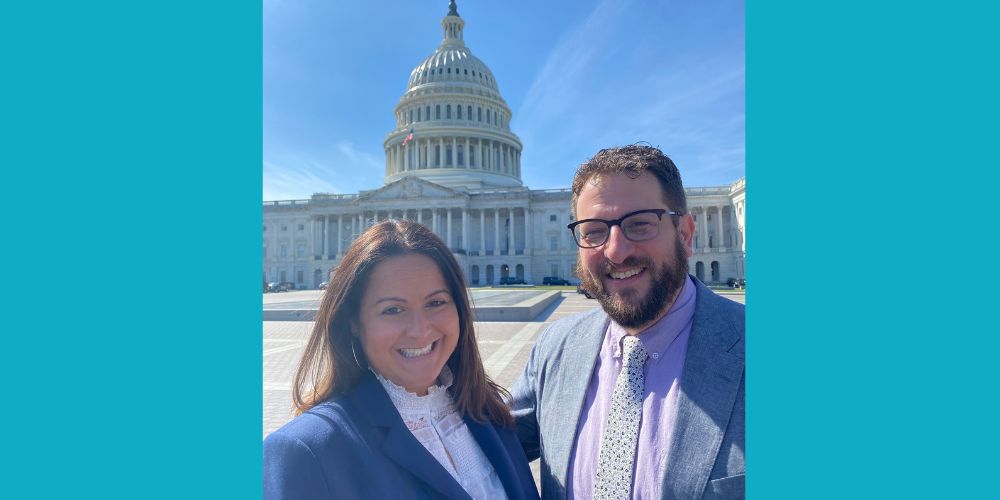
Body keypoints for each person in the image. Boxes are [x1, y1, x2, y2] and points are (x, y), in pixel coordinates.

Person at [511, 145, 745, 499]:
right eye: (593, 231)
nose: (616, 252)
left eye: (639, 225)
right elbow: (478, 446)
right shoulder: (555, 347)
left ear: (685, 233)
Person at [264, 220, 539, 500]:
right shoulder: (305, 452)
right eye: (393, 309)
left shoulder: (486, 409)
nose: (419, 331)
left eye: (436, 303)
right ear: (353, 322)